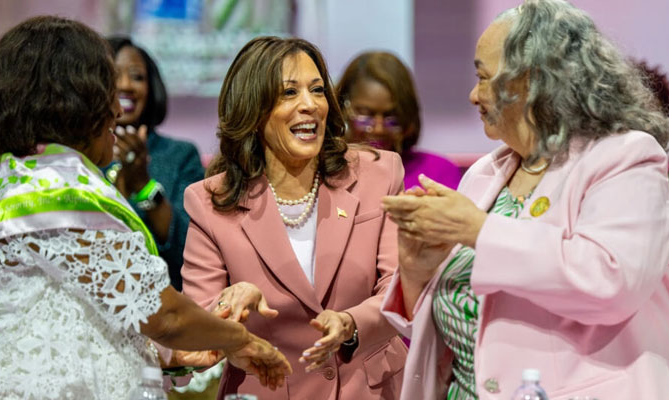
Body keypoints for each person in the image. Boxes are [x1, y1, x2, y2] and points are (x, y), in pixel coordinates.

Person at [0, 16, 290, 400]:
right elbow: (166, 316)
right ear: (74, 101)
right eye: (106, 90)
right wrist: (242, 340)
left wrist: (174, 352)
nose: (117, 112)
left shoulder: (8, 179)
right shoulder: (60, 190)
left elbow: (69, 316)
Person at [380, 1, 669, 399]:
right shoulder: (487, 171)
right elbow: (460, 323)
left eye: (483, 77)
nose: (472, 94)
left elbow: (612, 281)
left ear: (530, 82)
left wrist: (476, 229)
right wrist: (417, 272)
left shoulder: (625, 157)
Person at [181, 36, 407, 399]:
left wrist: (351, 323)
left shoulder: (377, 174)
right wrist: (229, 302)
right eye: (289, 93)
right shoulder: (211, 204)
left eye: (317, 91)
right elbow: (193, 330)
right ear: (253, 111)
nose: (310, 105)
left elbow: (400, 286)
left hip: (372, 390)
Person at [103, 36, 206, 291]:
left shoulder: (180, 155)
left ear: (152, 88)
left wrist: (144, 185)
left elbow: (190, 250)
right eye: (114, 76)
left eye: (137, 77)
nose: (125, 85)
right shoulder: (79, 155)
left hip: (162, 300)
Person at [336, 51, 462, 190]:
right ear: (342, 108)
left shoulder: (438, 172)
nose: (379, 128)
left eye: (391, 117)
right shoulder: (326, 170)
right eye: (366, 115)